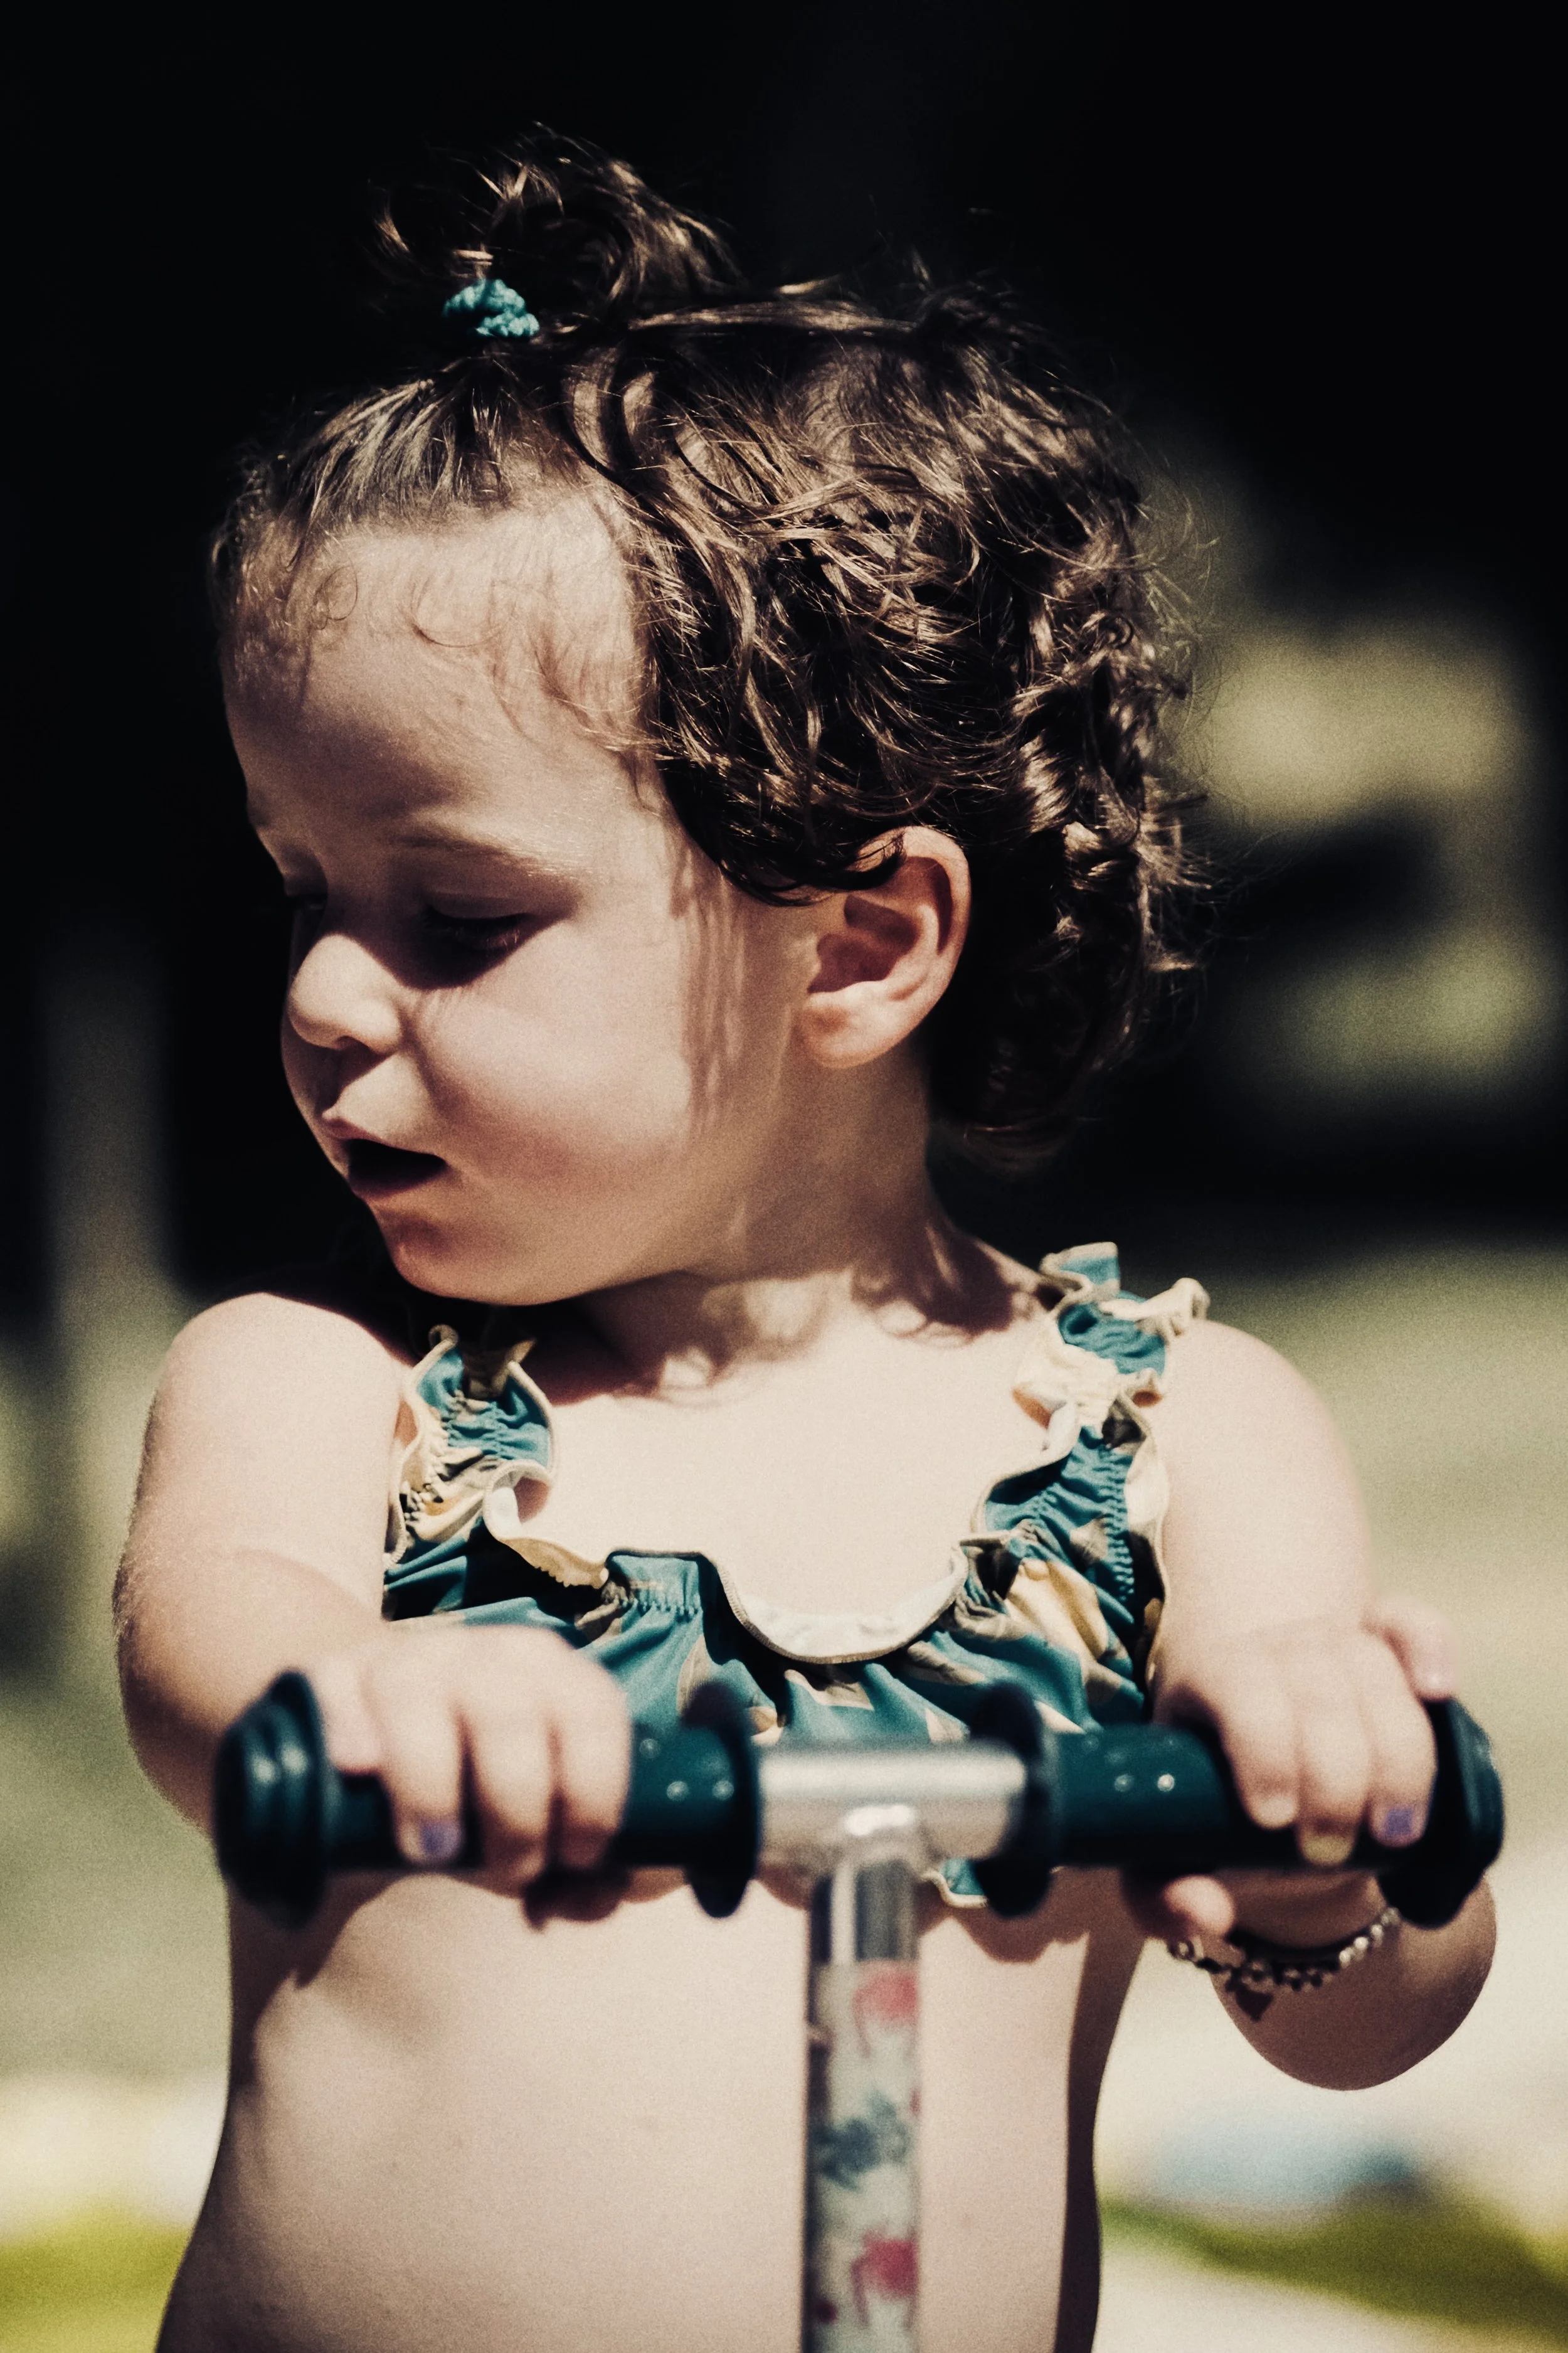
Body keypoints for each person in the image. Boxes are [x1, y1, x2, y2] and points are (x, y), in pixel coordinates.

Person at [115, 136, 1494, 2353]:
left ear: (861, 943)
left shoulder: (1173, 1444)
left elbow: (1358, 2032)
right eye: (302, 893)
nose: (320, 996)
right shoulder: (326, 1390)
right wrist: (376, 1689)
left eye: (452, 921)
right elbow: (213, 1681)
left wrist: (1327, 1855)